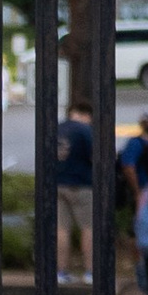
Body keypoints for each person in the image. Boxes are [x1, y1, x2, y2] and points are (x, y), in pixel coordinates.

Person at [119, 108, 148, 295]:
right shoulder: (137, 144)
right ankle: (144, 271)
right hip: (145, 193)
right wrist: (136, 191)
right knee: (141, 232)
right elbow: (128, 166)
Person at [55, 99, 94, 278]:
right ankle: (90, 272)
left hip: (58, 183)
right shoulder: (84, 130)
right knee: (88, 229)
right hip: (81, 185)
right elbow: (94, 155)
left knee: (62, 229)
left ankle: (61, 272)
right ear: (86, 114)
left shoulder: (58, 127)